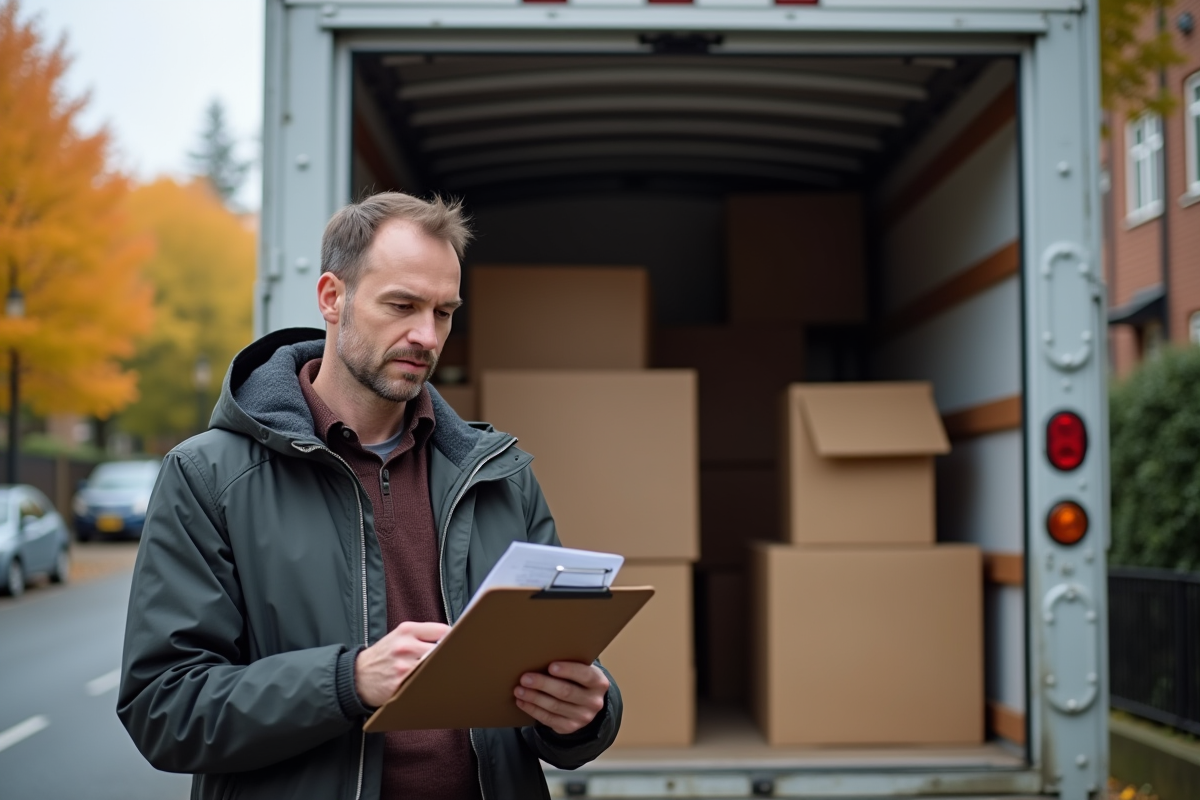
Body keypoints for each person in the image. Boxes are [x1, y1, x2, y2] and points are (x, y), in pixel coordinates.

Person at [118, 192, 622, 800]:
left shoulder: (499, 474)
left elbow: (558, 668)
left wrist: (585, 713)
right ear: (333, 297)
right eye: (402, 305)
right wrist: (347, 682)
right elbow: (164, 708)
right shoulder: (208, 477)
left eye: (444, 312)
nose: (426, 335)